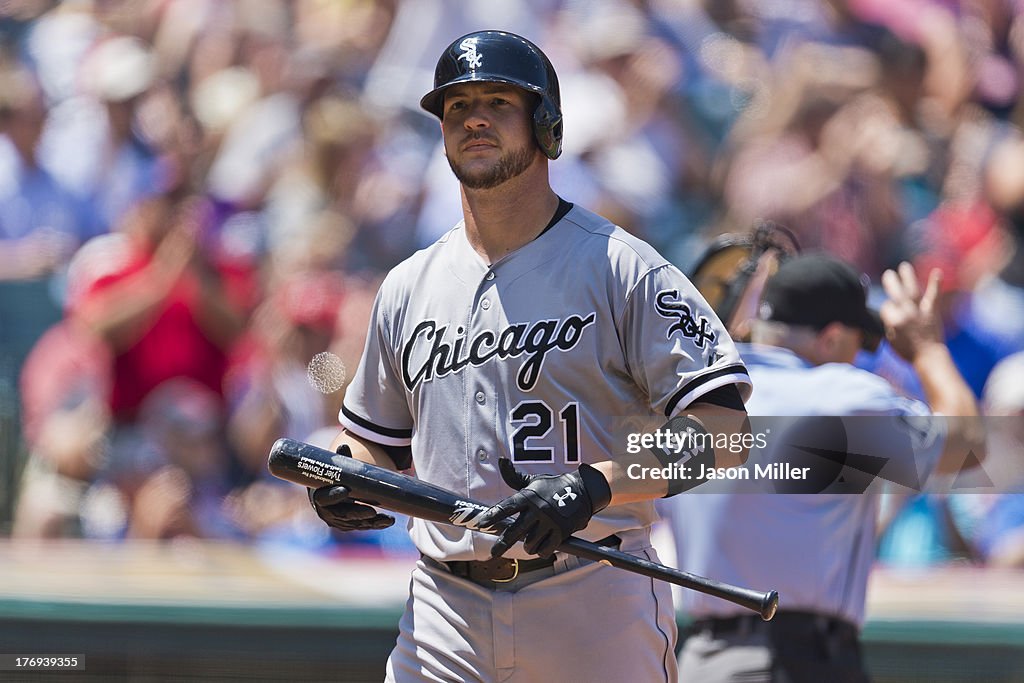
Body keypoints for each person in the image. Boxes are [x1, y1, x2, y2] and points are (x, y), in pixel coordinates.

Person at [303, 30, 753, 682]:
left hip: (591, 593)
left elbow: (726, 433)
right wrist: (349, 476)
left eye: (498, 102)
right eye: (457, 106)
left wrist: (593, 484)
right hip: (444, 603)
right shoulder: (408, 285)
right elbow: (376, 442)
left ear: (545, 124)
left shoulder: (622, 267)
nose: (474, 118)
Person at [665, 253, 986, 682]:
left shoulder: (693, 395)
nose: (858, 358)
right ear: (832, 338)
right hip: (796, 659)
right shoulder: (839, 397)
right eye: (859, 344)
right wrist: (927, 348)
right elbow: (967, 444)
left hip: (701, 659)